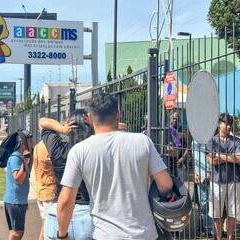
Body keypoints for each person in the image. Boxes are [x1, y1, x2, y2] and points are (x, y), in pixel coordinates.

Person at [57, 93, 173, 240]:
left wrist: (62, 235)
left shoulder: (79, 151)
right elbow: (166, 184)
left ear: (91, 119)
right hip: (144, 234)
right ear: (118, 115)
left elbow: (66, 201)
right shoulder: (143, 142)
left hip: (105, 235)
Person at [39, 109, 94, 240]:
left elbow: (42, 122)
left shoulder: (58, 150)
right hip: (86, 215)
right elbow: (120, 128)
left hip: (57, 216)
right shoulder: (95, 151)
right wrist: (94, 125)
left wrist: (62, 129)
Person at [207, 113, 240, 240]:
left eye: (230, 124)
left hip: (234, 180)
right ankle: (218, 236)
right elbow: (211, 161)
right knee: (216, 212)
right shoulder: (212, 140)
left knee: (233, 212)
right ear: (219, 124)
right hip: (216, 181)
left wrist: (220, 156)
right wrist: (230, 157)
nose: (229, 126)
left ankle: (230, 237)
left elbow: (239, 159)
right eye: (226, 124)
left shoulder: (237, 141)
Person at [4, 130, 34, 240]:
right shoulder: (16, 157)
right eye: (30, 141)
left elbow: (27, 173)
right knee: (18, 232)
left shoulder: (20, 157)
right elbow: (19, 179)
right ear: (23, 143)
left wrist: (29, 158)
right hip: (15, 201)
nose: (32, 144)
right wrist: (25, 161)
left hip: (18, 200)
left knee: (15, 231)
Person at [33, 140, 56, 240]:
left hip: (41, 190)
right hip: (49, 191)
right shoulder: (49, 147)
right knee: (50, 228)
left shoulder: (38, 146)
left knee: (45, 225)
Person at [193, 140, 213, 237]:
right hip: (199, 176)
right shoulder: (194, 142)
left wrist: (209, 172)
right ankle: (205, 227)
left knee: (212, 202)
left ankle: (211, 229)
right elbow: (195, 159)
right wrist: (195, 172)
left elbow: (212, 156)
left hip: (211, 176)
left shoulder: (210, 140)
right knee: (203, 202)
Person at [167, 111, 190, 180]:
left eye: (177, 118)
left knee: (180, 186)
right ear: (170, 119)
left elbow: (188, 147)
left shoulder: (183, 130)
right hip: (168, 162)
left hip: (180, 163)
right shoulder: (166, 130)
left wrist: (182, 159)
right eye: (173, 118)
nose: (175, 120)